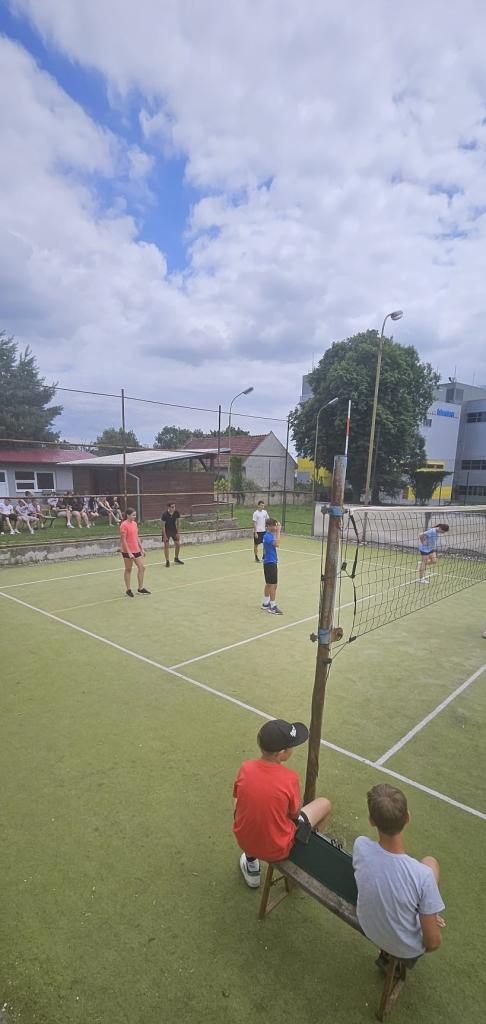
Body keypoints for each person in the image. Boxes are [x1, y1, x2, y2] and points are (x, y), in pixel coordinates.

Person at [352, 784, 445, 967]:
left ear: (371, 821)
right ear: (408, 817)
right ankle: (429, 912)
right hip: (405, 948)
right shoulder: (423, 876)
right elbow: (433, 943)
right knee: (430, 862)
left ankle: (426, 910)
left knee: (427, 867)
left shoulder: (360, 845)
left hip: (369, 928)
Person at [233, 718, 332, 888]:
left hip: (244, 839)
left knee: (240, 801)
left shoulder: (245, 767)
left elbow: (238, 798)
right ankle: (307, 859)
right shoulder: (290, 778)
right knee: (325, 804)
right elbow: (294, 814)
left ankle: (251, 864)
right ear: (281, 753)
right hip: (277, 849)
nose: (293, 748)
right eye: (291, 746)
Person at [120, 507, 150, 597]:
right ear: (128, 515)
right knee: (128, 569)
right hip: (127, 551)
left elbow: (136, 537)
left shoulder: (134, 524)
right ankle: (128, 590)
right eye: (133, 515)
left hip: (136, 550)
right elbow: (123, 540)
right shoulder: (123, 525)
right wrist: (129, 552)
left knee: (142, 568)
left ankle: (140, 588)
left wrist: (141, 548)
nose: (135, 517)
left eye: (135, 515)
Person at [261, 518, 282, 614]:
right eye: (274, 525)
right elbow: (277, 544)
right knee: (273, 585)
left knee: (269, 584)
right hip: (270, 563)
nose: (275, 527)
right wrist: (278, 531)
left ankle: (265, 603)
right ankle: (272, 606)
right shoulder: (268, 536)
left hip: (269, 562)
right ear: (269, 526)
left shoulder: (268, 535)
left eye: (275, 525)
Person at [161, 501, 184, 567]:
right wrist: (165, 536)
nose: (174, 508)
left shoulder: (176, 513)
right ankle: (167, 561)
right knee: (166, 545)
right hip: (166, 531)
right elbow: (163, 526)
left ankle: (176, 558)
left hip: (174, 530)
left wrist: (178, 533)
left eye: (174, 507)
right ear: (168, 507)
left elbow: (178, 523)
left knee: (178, 544)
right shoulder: (164, 514)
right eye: (172, 507)